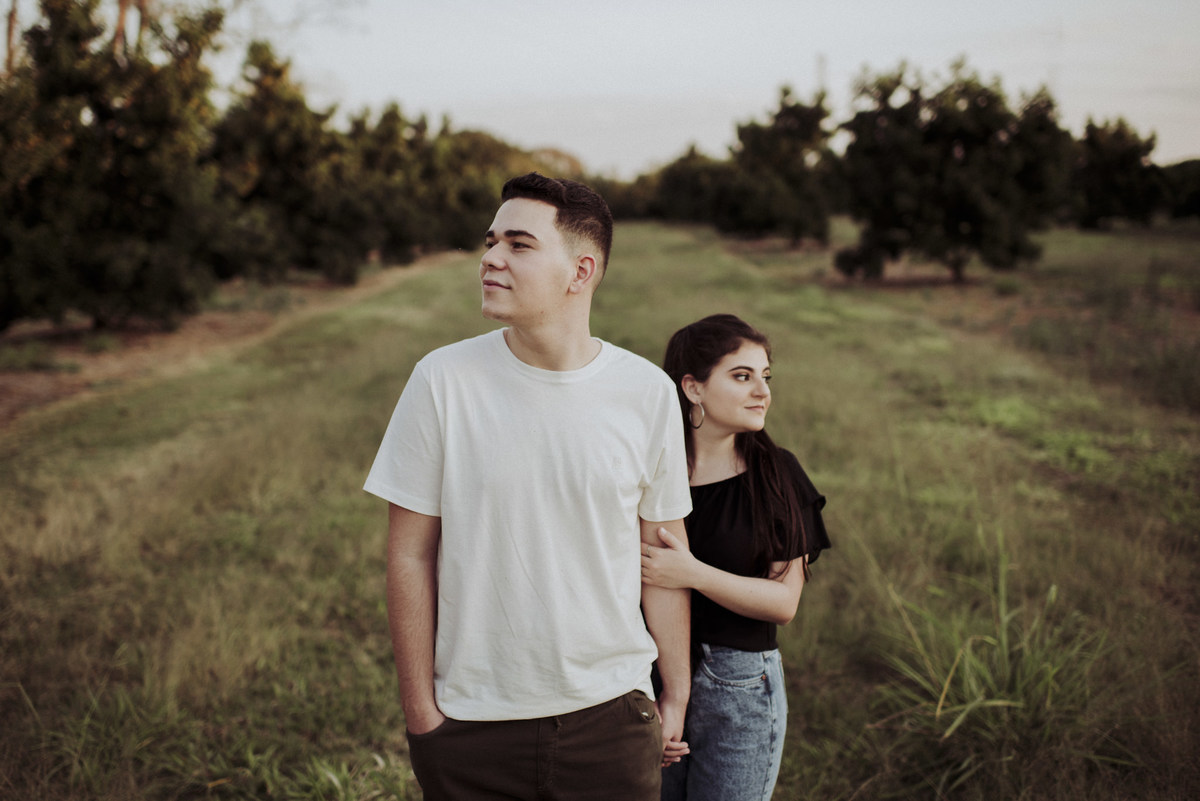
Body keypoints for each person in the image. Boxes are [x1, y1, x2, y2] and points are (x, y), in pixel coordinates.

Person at [363, 173, 693, 800]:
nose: (490, 258)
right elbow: (409, 554)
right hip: (470, 728)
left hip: (611, 719)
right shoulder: (442, 380)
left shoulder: (647, 392)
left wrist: (672, 695)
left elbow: (664, 558)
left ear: (580, 271)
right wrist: (421, 718)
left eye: (518, 244)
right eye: (491, 242)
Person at [642, 314, 831, 801]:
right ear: (693, 387)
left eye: (765, 377)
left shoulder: (775, 473)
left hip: (741, 686)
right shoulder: (651, 474)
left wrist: (693, 573)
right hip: (648, 676)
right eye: (742, 376)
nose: (762, 391)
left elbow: (784, 603)